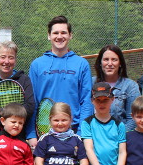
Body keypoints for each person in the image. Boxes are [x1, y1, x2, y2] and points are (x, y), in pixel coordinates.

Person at [27, 15, 93, 146]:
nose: (59, 36)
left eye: (63, 32)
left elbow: (86, 101)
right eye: (55, 33)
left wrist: (81, 133)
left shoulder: (82, 64)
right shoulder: (37, 65)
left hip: (73, 131)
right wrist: (31, 134)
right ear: (49, 36)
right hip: (44, 131)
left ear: (70, 35)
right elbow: (32, 101)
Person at [0, 41, 35, 139]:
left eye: (11, 57)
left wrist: (0, 111)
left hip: (18, 137)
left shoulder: (24, 80)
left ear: (15, 60)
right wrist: (16, 115)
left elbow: (29, 108)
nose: (6, 61)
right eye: (3, 57)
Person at [93, 44, 140, 132]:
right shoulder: (91, 83)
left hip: (120, 138)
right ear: (100, 63)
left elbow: (133, 119)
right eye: (106, 60)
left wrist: (116, 137)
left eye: (114, 60)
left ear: (120, 63)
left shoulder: (130, 86)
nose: (110, 63)